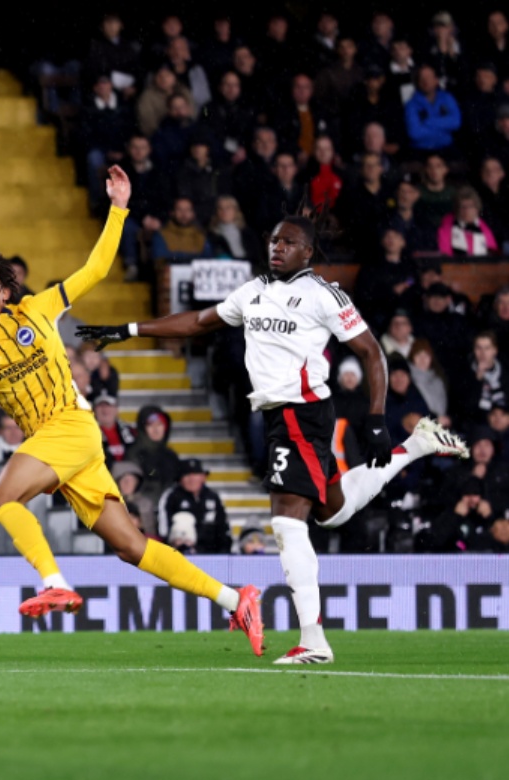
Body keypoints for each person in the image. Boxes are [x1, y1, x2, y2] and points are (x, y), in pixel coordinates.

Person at [79, 213, 470, 664]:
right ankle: (416, 446)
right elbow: (199, 321)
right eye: (273, 241)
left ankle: (313, 640)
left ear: (307, 252)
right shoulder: (254, 290)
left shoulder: (322, 294)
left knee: (286, 523)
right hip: (279, 418)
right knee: (334, 511)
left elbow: (370, 351)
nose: (277, 247)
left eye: (288, 242)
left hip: (302, 414)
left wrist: (377, 416)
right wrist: (129, 330)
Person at [0, 165, 264, 654]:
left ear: (4, 290)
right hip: (61, 447)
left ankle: (52, 582)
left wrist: (119, 209)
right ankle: (236, 597)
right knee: (131, 547)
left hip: (70, 428)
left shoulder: (39, 309)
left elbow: (96, 270)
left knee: (1, 499)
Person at [156, 459, 232, 553]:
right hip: (179, 552)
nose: (192, 478)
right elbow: (163, 530)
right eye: (187, 474)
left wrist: (223, 551)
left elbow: (223, 526)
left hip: (211, 552)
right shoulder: (171, 496)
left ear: (203, 477)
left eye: (196, 474)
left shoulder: (213, 496)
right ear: (180, 478)